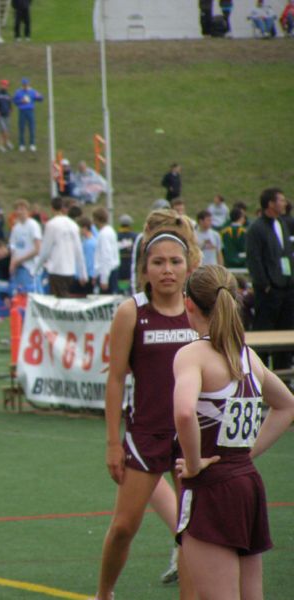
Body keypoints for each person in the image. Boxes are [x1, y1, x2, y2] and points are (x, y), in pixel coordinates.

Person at [94, 210, 202, 600]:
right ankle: (104, 594)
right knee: (124, 526)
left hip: (193, 435)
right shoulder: (131, 312)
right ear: (145, 269)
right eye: (158, 262)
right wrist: (112, 442)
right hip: (146, 435)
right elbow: (116, 377)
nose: (167, 270)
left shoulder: (200, 311)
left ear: (189, 266)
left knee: (191, 533)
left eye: (175, 262)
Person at [172, 265, 294, 599]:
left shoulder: (192, 354)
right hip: (247, 483)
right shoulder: (248, 357)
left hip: (211, 489)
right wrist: (246, 454)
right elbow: (287, 406)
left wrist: (194, 464)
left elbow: (184, 412)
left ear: (189, 304)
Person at [245, 187, 294, 371]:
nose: (285, 203)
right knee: (264, 333)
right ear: (270, 204)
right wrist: (264, 285)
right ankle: (260, 375)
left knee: (286, 333)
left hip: (287, 289)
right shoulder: (256, 228)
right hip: (268, 291)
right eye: (281, 200)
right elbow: (254, 259)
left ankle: (284, 376)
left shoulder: (281, 223)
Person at [35, 197, 86, 298]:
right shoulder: (73, 225)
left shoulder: (51, 225)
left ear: (52, 208)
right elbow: (79, 251)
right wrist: (83, 273)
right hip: (70, 271)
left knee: (58, 302)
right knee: (65, 298)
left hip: (56, 270)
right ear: (63, 208)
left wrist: (36, 268)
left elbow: (45, 251)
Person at [8, 199, 42, 295]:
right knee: (20, 296)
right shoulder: (16, 228)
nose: (19, 212)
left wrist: (19, 260)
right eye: (17, 209)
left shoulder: (33, 225)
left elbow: (37, 249)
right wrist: (12, 263)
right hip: (19, 267)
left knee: (33, 296)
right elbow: (13, 247)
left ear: (27, 211)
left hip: (30, 268)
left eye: (22, 209)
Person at [92, 207, 120, 294]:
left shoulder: (103, 234)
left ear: (97, 219)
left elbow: (105, 257)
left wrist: (104, 280)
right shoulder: (110, 231)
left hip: (107, 273)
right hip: (112, 271)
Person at [12, 77, 43, 152]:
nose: (25, 86)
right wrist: (21, 101)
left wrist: (39, 96)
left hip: (30, 111)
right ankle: (22, 144)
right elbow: (14, 101)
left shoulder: (32, 91)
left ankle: (32, 144)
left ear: (28, 84)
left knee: (31, 127)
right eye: (24, 85)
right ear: (22, 85)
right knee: (21, 128)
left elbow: (40, 98)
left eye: (26, 84)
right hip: (22, 111)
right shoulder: (18, 92)